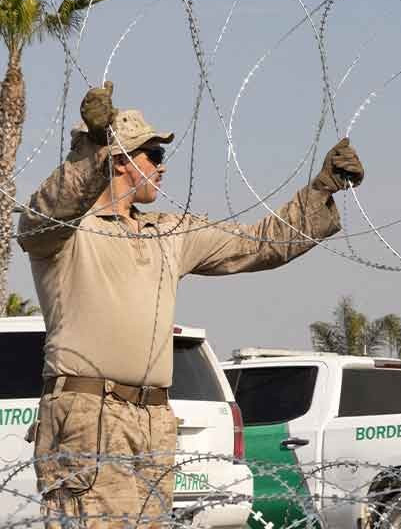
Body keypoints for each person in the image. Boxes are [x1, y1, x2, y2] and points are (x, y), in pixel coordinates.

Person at [18, 82, 364, 528]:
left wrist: (321, 190)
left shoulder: (167, 232)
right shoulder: (65, 233)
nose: (162, 168)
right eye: (154, 157)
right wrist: (91, 148)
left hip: (154, 417)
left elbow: (259, 244)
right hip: (88, 416)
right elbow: (43, 215)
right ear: (120, 161)